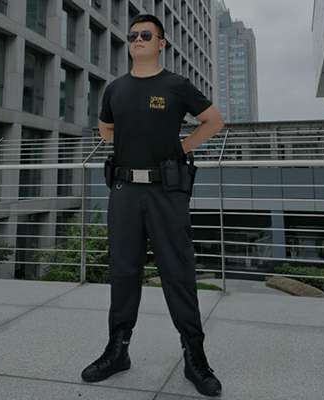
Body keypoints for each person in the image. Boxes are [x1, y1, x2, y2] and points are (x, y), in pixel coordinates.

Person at [81, 13, 225, 397]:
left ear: (161, 43)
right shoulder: (115, 89)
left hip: (166, 193)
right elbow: (105, 128)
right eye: (133, 35)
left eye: (146, 34)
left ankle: (195, 357)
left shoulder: (176, 85)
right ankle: (117, 351)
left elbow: (213, 121)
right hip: (125, 191)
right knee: (123, 271)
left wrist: (183, 147)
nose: (138, 39)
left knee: (177, 272)